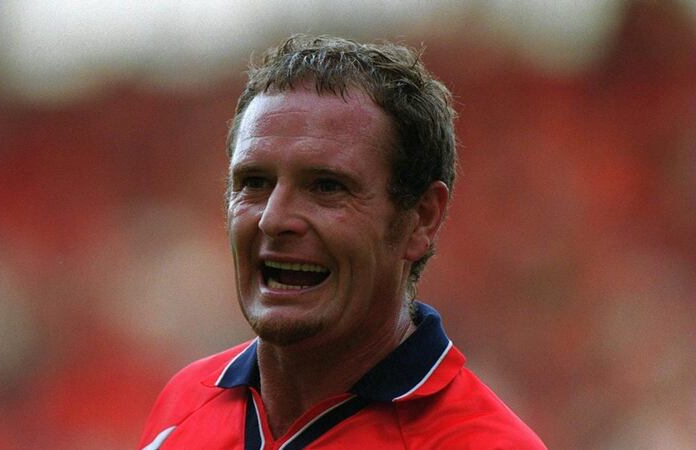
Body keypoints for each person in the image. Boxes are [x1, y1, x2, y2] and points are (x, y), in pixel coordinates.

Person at [138, 35, 546, 449]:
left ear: (420, 219)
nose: (274, 219)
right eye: (254, 183)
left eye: (327, 186)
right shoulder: (185, 402)